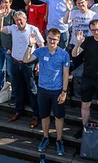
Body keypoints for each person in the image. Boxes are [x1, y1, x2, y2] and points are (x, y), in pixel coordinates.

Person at [20, 28, 70, 156]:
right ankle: (46, 137)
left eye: (55, 39)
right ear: (46, 38)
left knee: (59, 116)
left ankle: (59, 140)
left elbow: (65, 74)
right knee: (44, 115)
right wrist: (30, 44)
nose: (52, 41)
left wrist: (64, 91)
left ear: (58, 40)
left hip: (57, 90)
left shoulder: (64, 54)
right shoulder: (40, 51)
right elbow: (25, 60)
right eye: (50, 38)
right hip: (42, 89)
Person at [0, 6, 44, 128]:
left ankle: (36, 115)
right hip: (14, 62)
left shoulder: (33, 29)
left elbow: (41, 46)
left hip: (28, 64)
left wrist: (39, 62)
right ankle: (19, 111)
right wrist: (1, 17)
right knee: (17, 88)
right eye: (16, 20)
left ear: (25, 19)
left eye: (20, 20)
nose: (18, 22)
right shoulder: (13, 28)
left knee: (32, 89)